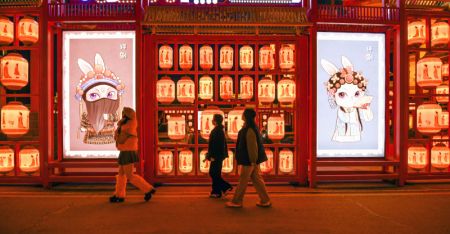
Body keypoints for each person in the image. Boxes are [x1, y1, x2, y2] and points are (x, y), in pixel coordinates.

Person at [226, 108, 271, 208]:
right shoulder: (251, 127)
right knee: (257, 180)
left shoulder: (249, 129)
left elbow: (252, 146)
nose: (242, 115)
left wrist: (253, 161)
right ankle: (265, 200)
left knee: (243, 180)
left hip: (249, 160)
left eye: (243, 114)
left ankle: (237, 201)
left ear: (246, 116)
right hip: (251, 160)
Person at [110, 107, 156, 203]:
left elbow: (120, 139)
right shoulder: (127, 124)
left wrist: (117, 133)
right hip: (125, 151)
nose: (122, 114)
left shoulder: (127, 126)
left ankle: (148, 189)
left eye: (124, 113)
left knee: (129, 175)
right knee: (121, 174)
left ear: (127, 115)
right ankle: (119, 195)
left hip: (127, 151)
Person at [205, 114, 232, 198]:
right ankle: (217, 192)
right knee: (215, 173)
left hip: (216, 156)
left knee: (213, 173)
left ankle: (225, 187)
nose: (212, 121)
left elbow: (216, 145)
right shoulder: (219, 130)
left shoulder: (217, 131)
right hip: (218, 155)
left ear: (215, 121)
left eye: (213, 119)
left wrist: (212, 156)